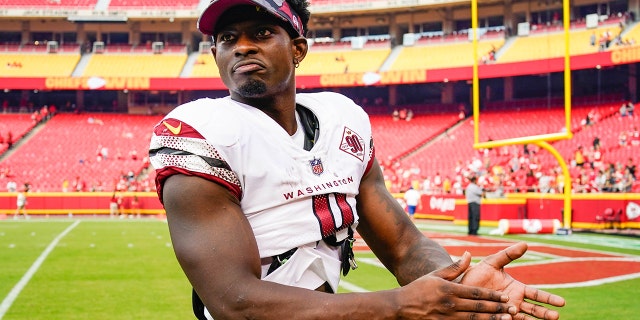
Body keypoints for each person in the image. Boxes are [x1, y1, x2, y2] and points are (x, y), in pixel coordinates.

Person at [148, 0, 565, 319]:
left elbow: (403, 245)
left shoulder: (341, 120)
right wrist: (395, 306)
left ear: (297, 49)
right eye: (227, 38)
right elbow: (233, 300)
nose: (241, 47)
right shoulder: (199, 130)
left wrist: (459, 280)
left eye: (260, 32)